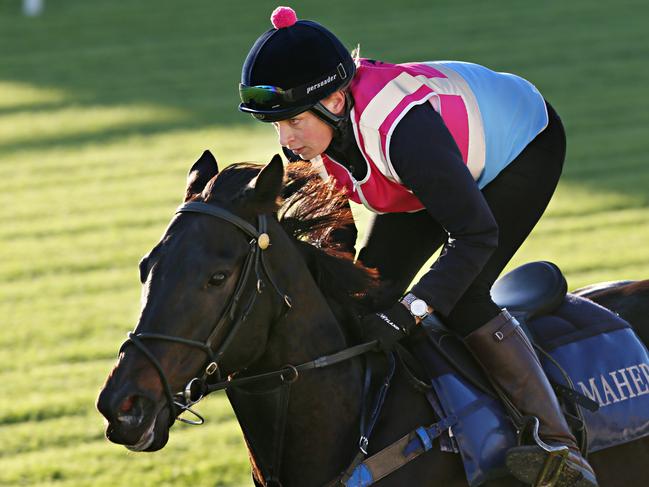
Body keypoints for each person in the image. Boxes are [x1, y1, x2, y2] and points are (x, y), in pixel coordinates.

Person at [238, 6, 597, 487]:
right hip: (427, 171)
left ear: (336, 102)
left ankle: (559, 448)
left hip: (520, 147)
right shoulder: (317, 137)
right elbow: (339, 255)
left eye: (294, 121)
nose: (285, 139)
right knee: (368, 297)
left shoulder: (401, 129)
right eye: (276, 124)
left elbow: (475, 235)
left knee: (463, 295)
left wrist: (412, 312)